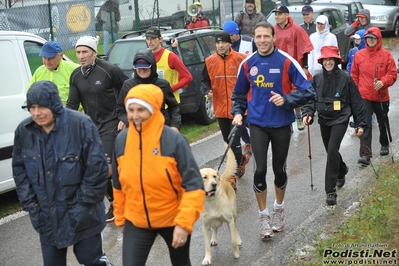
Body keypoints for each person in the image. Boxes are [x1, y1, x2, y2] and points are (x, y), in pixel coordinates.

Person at [12, 81, 112, 266]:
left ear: (54, 105)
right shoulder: (24, 131)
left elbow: (96, 170)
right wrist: (32, 206)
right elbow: (20, 171)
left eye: (41, 107)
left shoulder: (81, 124)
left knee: (92, 260)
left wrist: (80, 206)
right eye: (31, 108)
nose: (36, 113)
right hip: (47, 216)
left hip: (84, 215)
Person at [231, 21, 315, 240]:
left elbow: (308, 91)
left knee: (279, 170)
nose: (262, 41)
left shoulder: (287, 62)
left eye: (266, 36)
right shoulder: (248, 64)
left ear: (274, 37)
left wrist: (286, 99)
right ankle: (263, 216)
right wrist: (238, 112)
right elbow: (239, 94)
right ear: (254, 38)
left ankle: (278, 209)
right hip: (257, 124)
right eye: (258, 37)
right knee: (259, 170)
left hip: (281, 125)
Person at [112, 84, 204, 266]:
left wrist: (184, 224)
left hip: (172, 218)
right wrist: (121, 217)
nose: (134, 116)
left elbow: (194, 185)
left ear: (153, 110)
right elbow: (118, 184)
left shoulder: (174, 140)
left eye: (141, 110)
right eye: (130, 110)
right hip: (136, 220)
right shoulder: (121, 140)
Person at [66, 35, 129, 223]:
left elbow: (130, 89)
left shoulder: (110, 70)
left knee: (106, 169)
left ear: (94, 53)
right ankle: (114, 201)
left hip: (112, 123)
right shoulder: (76, 75)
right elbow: (71, 104)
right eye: (78, 52)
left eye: (85, 51)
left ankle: (122, 202)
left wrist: (124, 116)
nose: (81, 56)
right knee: (90, 168)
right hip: (91, 127)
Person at [301, 46, 367, 206]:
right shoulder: (316, 79)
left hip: (341, 118)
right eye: (326, 59)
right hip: (324, 119)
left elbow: (356, 102)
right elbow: (310, 99)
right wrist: (307, 114)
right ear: (321, 61)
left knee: (331, 151)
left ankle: (330, 191)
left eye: (331, 59)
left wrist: (360, 124)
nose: (328, 62)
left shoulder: (345, 79)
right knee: (331, 152)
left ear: (336, 60)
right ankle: (342, 169)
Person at [202, 31, 247, 189]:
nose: (220, 45)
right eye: (218, 43)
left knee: (234, 142)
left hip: (239, 109)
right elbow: (204, 81)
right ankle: (241, 160)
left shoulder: (241, 59)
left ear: (230, 44)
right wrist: (207, 90)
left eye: (223, 42)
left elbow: (249, 80)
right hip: (220, 108)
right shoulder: (209, 61)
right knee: (228, 141)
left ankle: (232, 177)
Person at [350, 27, 398, 165]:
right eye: (368, 38)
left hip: (381, 95)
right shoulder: (359, 55)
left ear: (378, 39)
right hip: (364, 95)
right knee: (364, 123)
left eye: (373, 38)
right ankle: (365, 154)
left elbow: (393, 74)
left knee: (382, 120)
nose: (370, 40)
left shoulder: (386, 55)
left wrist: (383, 82)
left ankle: (384, 143)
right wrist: (357, 90)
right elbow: (354, 75)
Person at [117, 49, 181, 132]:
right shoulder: (128, 85)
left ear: (153, 66)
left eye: (145, 67)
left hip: (161, 129)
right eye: (139, 67)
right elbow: (120, 109)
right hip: (137, 130)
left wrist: (175, 126)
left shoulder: (163, 85)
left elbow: (174, 107)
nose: (142, 70)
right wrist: (127, 121)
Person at [272, 5, 314, 131]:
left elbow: (305, 47)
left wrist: (305, 66)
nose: (277, 16)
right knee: (280, 92)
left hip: (294, 65)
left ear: (286, 15)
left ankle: (298, 116)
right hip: (278, 67)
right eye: (276, 14)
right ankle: (285, 121)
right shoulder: (273, 29)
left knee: (294, 92)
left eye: (279, 14)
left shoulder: (297, 29)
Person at [223, 20, 257, 163]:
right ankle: (248, 141)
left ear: (238, 33)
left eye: (233, 35)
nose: (230, 38)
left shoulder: (249, 42)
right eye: (228, 35)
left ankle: (258, 137)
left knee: (250, 117)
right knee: (236, 118)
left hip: (251, 84)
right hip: (234, 87)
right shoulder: (225, 47)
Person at [145, 26, 193, 103]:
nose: (150, 42)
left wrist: (170, 89)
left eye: (153, 38)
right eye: (147, 39)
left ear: (160, 39)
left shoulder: (171, 57)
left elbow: (188, 77)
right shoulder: (146, 56)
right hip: (153, 103)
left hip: (170, 104)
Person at [28, 41, 79, 107]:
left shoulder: (75, 70)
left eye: (51, 58)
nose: (47, 62)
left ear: (61, 55)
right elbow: (30, 94)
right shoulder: (39, 72)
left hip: (71, 115)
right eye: (44, 57)